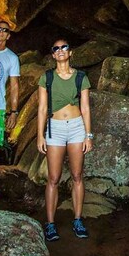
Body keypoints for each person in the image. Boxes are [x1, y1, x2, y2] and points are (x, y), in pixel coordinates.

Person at [37, 39, 93, 242]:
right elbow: (42, 109)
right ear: (53, 55)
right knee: (53, 177)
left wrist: (89, 135)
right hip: (55, 128)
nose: (60, 51)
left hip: (77, 127)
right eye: (56, 48)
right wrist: (40, 135)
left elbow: (86, 108)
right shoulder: (47, 78)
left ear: (70, 52)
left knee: (77, 175)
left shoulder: (81, 77)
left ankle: (78, 220)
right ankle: (50, 224)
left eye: (64, 47)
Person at [0, 20, 20, 204]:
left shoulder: (12, 58)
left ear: (8, 35)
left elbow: (14, 86)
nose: (1, 32)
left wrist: (13, 112)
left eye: (5, 30)